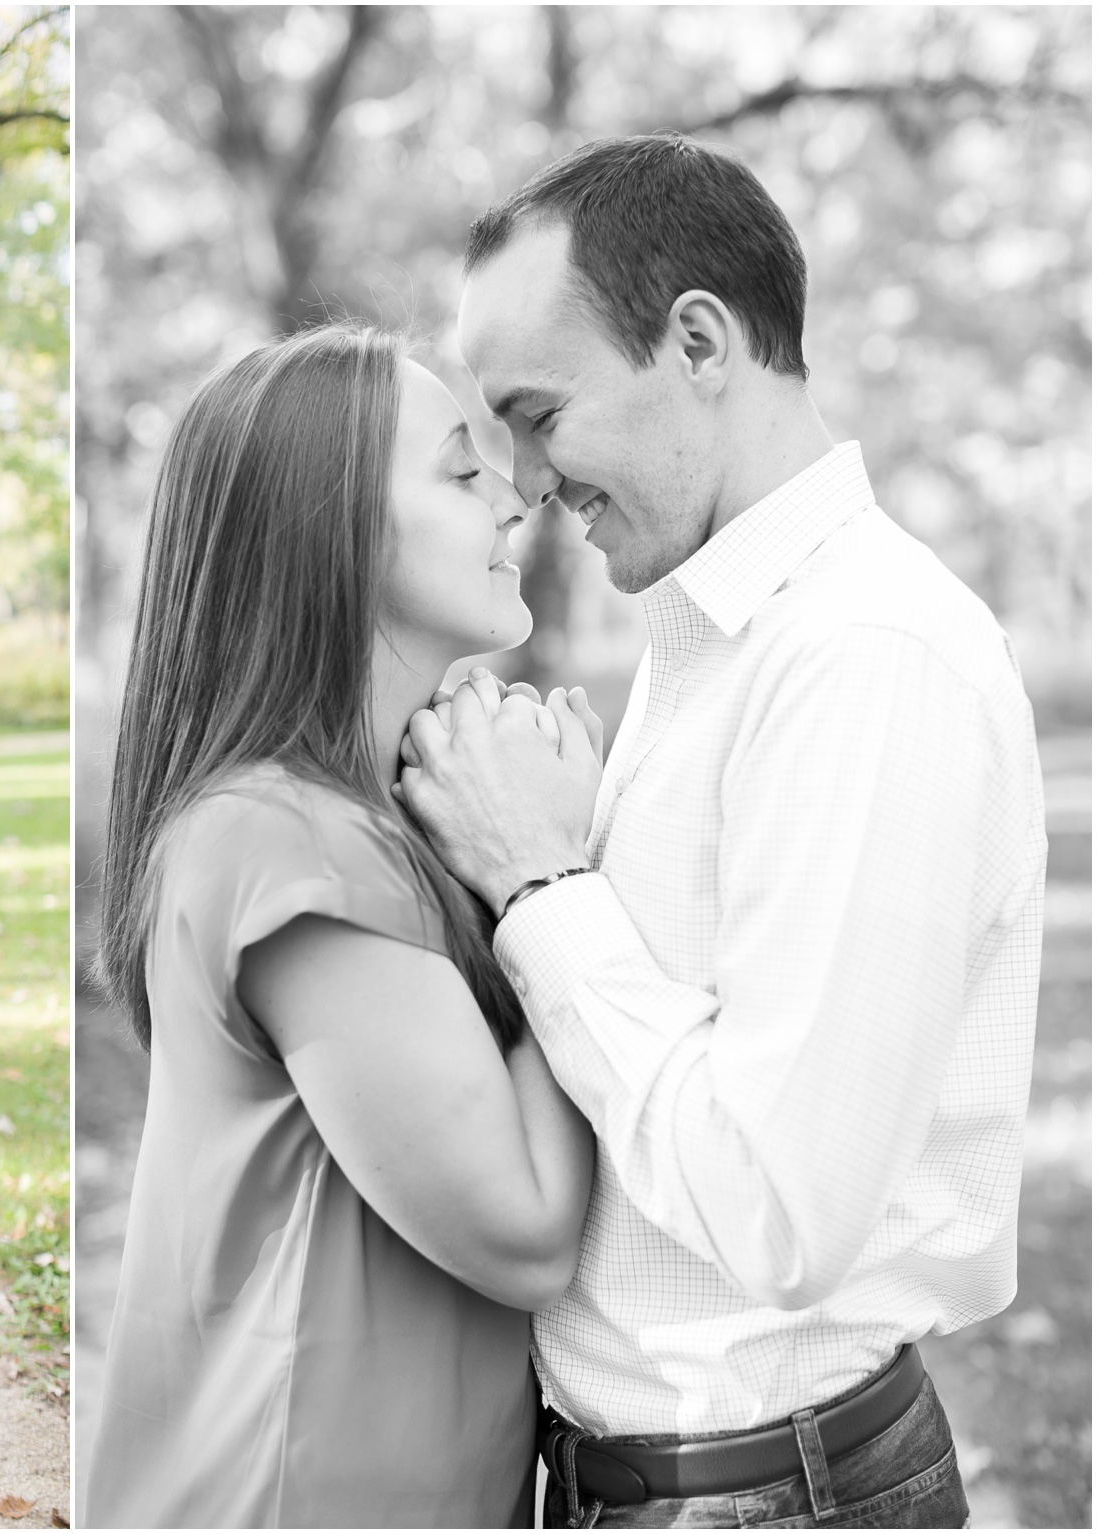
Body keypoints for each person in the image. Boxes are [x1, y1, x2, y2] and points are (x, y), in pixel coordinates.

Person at [402, 133, 1046, 1529]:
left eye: (537, 412)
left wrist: (540, 881)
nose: (517, 480)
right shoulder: (715, 635)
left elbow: (783, 1206)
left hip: (765, 1493)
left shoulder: (867, 657)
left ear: (698, 340)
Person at [84, 324, 599, 1528]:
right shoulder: (287, 837)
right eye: (459, 474)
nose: (513, 500)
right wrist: (550, 879)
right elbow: (522, 1232)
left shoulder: (362, 822)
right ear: (331, 532)